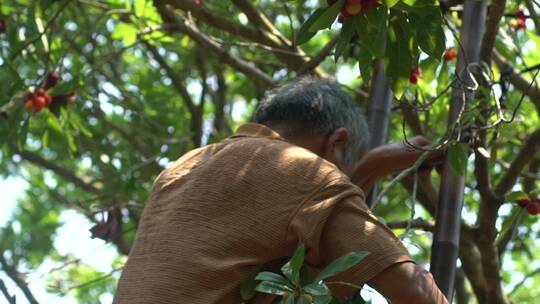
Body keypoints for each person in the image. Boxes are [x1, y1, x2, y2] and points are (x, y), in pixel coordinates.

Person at [113, 76, 448, 304]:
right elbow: (413, 290)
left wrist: (367, 168)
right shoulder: (304, 172)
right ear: (338, 142)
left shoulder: (185, 166)